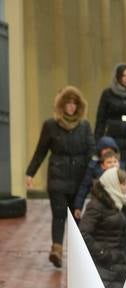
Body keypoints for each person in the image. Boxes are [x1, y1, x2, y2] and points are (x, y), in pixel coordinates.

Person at [26, 85, 94, 268]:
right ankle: (56, 250)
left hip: (78, 179)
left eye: (74, 103)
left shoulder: (85, 126)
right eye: (67, 103)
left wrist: (94, 177)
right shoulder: (50, 125)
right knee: (59, 214)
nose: (71, 107)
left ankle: (77, 253)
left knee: (76, 216)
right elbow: (40, 151)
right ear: (61, 105)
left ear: (79, 106)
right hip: (57, 177)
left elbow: (91, 152)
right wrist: (30, 173)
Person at [79, 167, 126, 288]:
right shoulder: (96, 205)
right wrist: (103, 253)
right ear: (113, 184)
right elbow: (83, 233)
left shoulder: (119, 202)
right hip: (103, 266)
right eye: (123, 184)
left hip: (117, 263)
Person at [94, 64, 126, 155]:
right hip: (112, 135)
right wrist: (98, 139)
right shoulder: (108, 93)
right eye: (124, 75)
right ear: (118, 76)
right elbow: (101, 119)